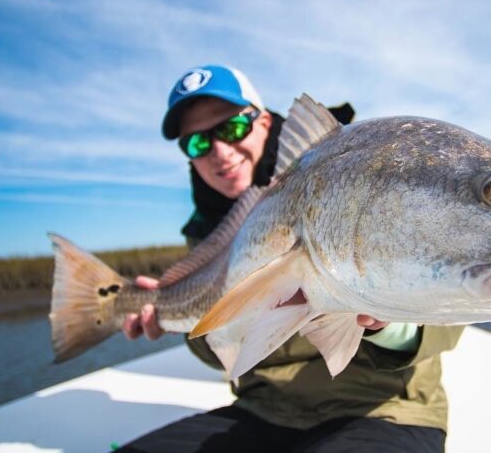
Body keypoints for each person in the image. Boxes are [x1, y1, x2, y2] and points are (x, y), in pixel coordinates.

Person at [119, 65, 464, 452]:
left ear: (264, 122)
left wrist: (386, 322)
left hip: (381, 409)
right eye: (197, 144)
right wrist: (170, 316)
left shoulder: (354, 170)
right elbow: (224, 353)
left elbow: (453, 302)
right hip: (266, 410)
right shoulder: (207, 232)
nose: (219, 151)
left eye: (231, 129)